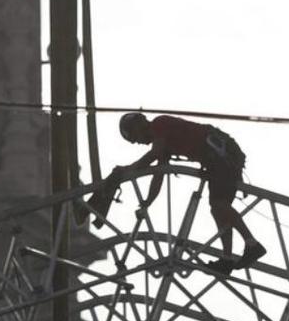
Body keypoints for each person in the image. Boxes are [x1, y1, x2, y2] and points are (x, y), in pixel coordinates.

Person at [97, 112, 265, 270]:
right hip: (216, 160)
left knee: (219, 204)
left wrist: (128, 169)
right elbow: (159, 174)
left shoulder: (159, 124)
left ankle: (252, 244)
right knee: (218, 209)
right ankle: (227, 259)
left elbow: (153, 155)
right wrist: (148, 201)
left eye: (135, 137)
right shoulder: (163, 144)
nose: (139, 142)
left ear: (139, 125)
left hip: (222, 155)